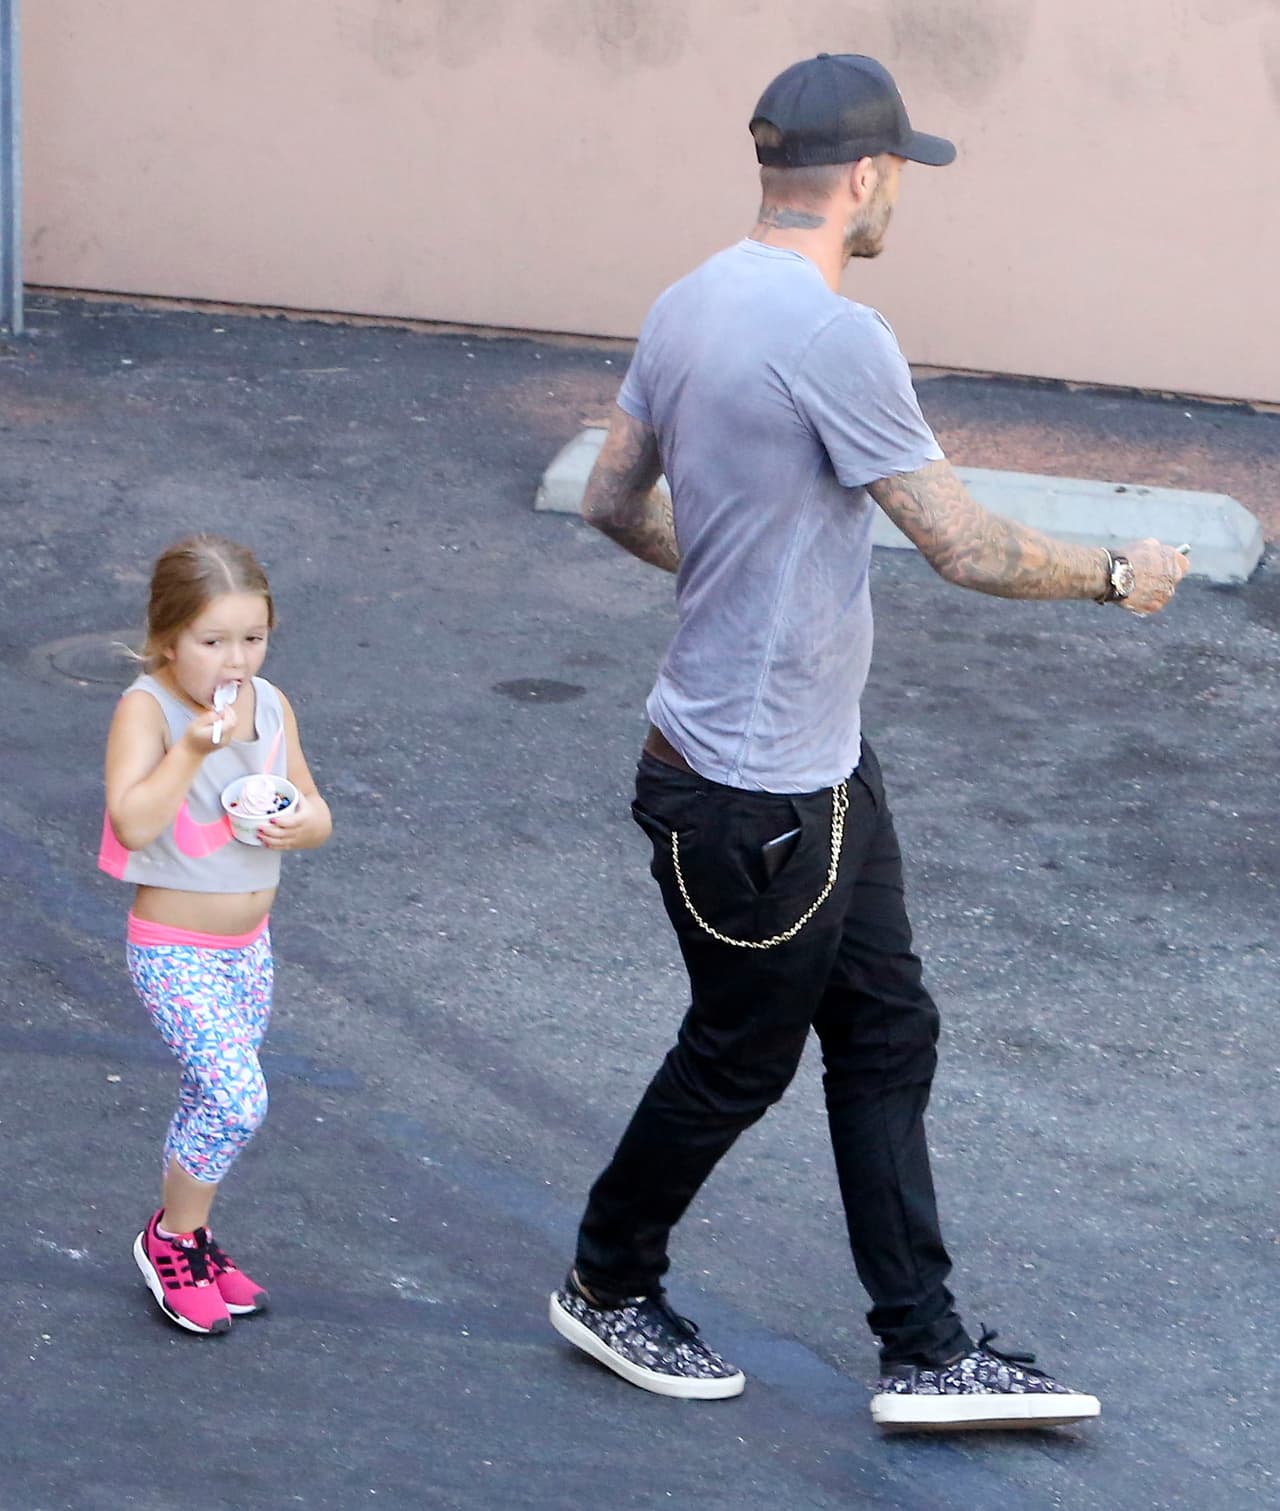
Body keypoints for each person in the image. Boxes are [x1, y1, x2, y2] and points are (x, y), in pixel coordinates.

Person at [548, 53, 1188, 1430]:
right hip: (753, 794)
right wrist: (1121, 575)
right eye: (902, 173)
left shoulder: (688, 299)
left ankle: (925, 1344)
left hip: (815, 763)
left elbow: (611, 497)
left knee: (889, 1025)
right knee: (738, 1053)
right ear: (867, 177)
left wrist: (730, 575)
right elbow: (962, 543)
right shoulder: (841, 337)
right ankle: (606, 1280)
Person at [100, 534, 333, 1335]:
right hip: (172, 946)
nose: (236, 660)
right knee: (238, 1098)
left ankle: (193, 1236)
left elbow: (315, 807)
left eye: (252, 637)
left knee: (214, 1097)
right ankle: (168, 1240)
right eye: (213, 640)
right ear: (168, 638)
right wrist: (193, 744)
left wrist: (301, 826)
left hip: (248, 946)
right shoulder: (149, 708)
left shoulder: (271, 706)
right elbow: (132, 821)